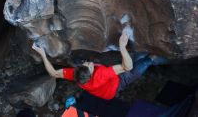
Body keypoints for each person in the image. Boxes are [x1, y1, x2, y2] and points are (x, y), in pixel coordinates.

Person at [32, 33, 167, 100]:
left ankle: (147, 57)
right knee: (144, 62)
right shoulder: (101, 74)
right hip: (115, 87)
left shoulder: (75, 75)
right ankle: (155, 58)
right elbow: (128, 67)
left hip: (102, 90)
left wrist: (43, 54)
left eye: (85, 63)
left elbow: (53, 73)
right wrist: (122, 47)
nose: (88, 63)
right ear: (92, 73)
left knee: (133, 59)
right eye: (89, 65)